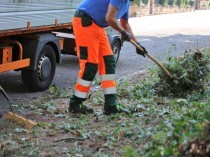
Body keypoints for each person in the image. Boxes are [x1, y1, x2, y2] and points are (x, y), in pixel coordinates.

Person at [68, 0, 148, 115]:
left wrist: (138, 45)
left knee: (108, 62)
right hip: (84, 21)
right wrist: (122, 32)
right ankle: (75, 103)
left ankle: (111, 105)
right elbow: (110, 18)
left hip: (97, 26)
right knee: (89, 65)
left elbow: (125, 24)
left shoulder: (126, 3)